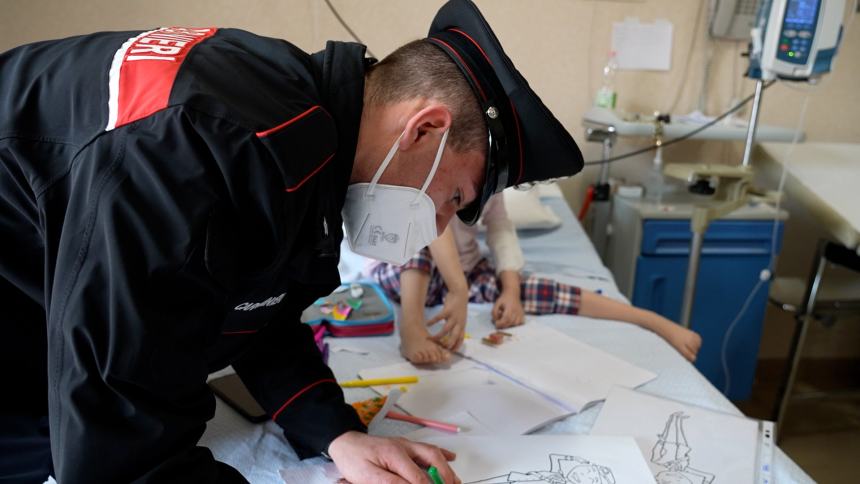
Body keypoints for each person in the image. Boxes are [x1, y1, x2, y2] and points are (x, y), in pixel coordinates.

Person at [0, 1, 585, 482]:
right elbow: (119, 446)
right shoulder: (208, 147)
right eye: (454, 198)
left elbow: (255, 309)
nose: (437, 230)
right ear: (424, 128)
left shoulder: (306, 131)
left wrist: (334, 433)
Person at [370, 192, 702, 365]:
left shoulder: (490, 178)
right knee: (417, 243)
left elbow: (501, 232)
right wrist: (456, 288)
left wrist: (511, 292)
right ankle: (411, 328)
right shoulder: (430, 167)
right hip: (407, 268)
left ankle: (649, 319)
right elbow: (431, 224)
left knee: (530, 287)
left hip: (468, 270)